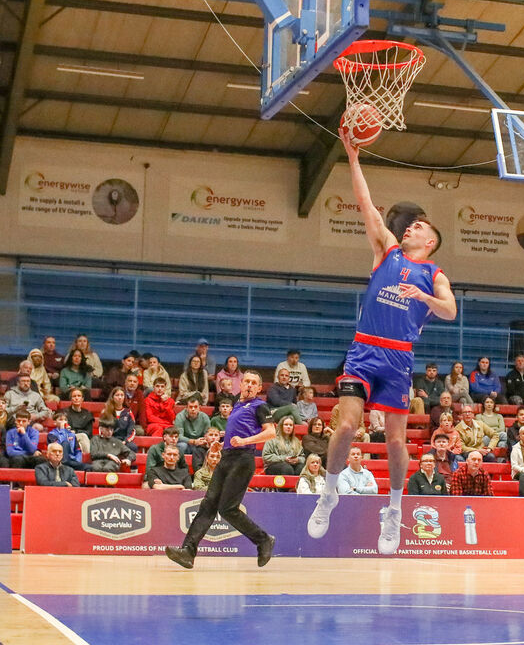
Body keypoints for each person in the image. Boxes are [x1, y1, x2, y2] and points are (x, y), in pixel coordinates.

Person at [306, 131, 455, 556]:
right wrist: (352, 156)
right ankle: (329, 493)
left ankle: (393, 510)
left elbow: (450, 311)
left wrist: (424, 297)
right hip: (365, 350)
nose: (412, 226)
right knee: (348, 425)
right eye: (411, 223)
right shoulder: (387, 251)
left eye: (421, 227)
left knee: (394, 441)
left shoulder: (435, 274)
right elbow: (367, 206)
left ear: (429, 243)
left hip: (399, 359)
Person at [166, 370, 276, 569]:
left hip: (243, 460)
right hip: (227, 458)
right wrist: (222, 444)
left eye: (254, 383)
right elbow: (237, 431)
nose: (250, 385)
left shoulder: (260, 406)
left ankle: (263, 540)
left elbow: (271, 432)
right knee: (208, 504)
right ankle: (188, 552)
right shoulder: (237, 404)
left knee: (227, 509)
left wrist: (245, 441)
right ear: (241, 385)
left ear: (259, 388)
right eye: (247, 382)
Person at [62, 388, 94, 454]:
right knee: (82, 436)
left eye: (79, 396)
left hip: (84, 438)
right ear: (71, 399)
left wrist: (76, 431)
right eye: (74, 396)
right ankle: (87, 457)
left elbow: (89, 432)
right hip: (69, 437)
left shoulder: (87, 414)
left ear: (82, 399)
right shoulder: (65, 412)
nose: (76, 398)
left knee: (84, 437)